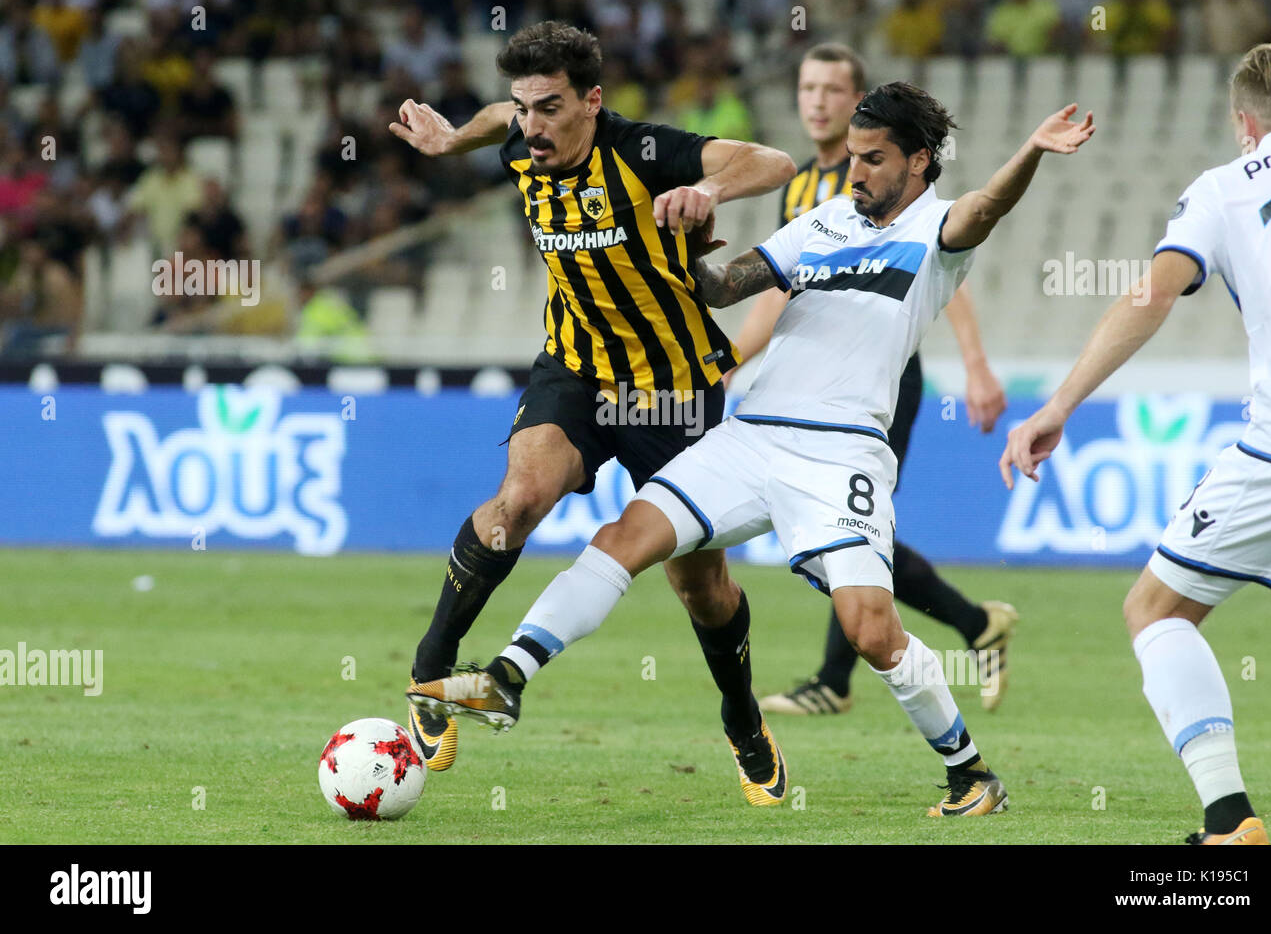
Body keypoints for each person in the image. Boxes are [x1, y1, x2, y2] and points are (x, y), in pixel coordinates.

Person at [418, 83, 1094, 814]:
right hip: (752, 435)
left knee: (870, 630)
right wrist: (681, 249)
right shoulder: (825, 220)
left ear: (920, 160)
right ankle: (508, 678)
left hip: (843, 456)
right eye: (854, 157)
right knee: (624, 537)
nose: (856, 171)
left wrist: (1029, 150)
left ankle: (969, 772)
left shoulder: (936, 233)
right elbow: (724, 286)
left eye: (873, 160)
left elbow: (986, 207)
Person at [390, 21, 798, 802]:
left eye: (549, 108)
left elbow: (774, 163)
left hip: (672, 387)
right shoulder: (519, 137)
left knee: (701, 587)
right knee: (518, 500)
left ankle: (743, 719)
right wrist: (451, 142)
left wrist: (707, 190)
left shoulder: (646, 151)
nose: (531, 126)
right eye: (523, 108)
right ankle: (432, 667)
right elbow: (491, 120)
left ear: (592, 102)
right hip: (574, 368)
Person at [1001, 42, 1271, 845]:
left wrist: (1059, 403)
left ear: (1245, 124)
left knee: (1156, 609)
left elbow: (1153, 293)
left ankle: (1229, 818)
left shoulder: (1224, 188)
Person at [728, 43, 1015, 719]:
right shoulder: (802, 187)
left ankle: (835, 678)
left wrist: (975, 364)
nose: (817, 101)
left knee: (851, 530)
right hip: (814, 376)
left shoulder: (887, 183)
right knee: (850, 530)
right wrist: (729, 359)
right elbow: (781, 287)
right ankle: (975, 624)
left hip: (881, 378)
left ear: (860, 103)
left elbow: (944, 269)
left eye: (832, 89)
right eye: (807, 87)